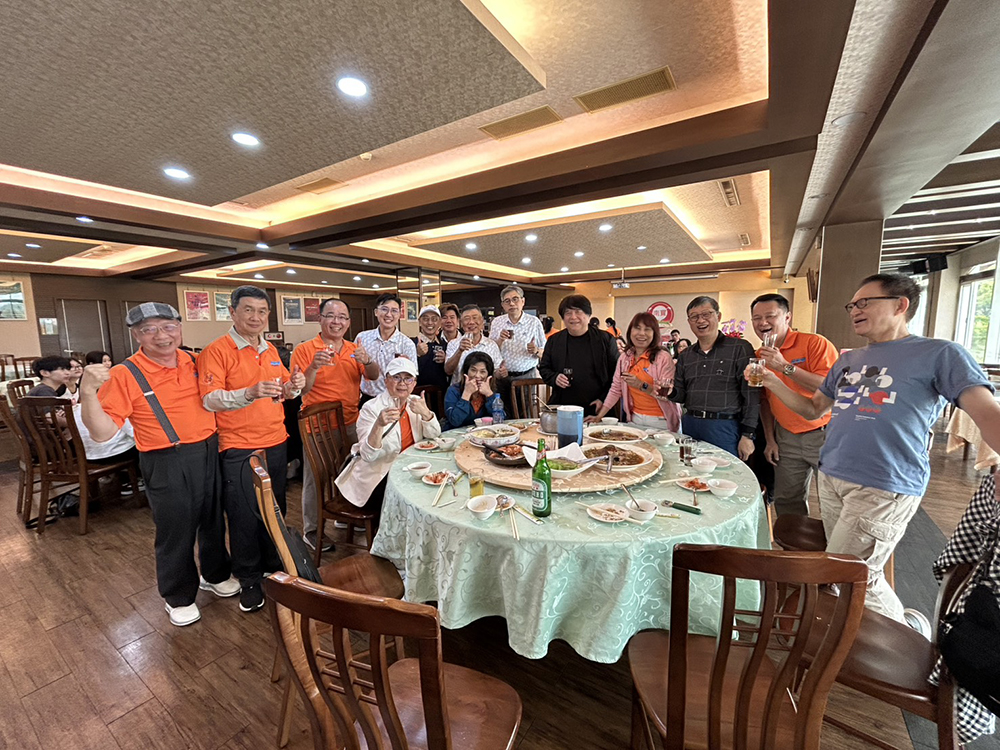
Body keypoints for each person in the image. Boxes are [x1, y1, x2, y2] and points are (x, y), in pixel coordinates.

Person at [750, 273, 1000, 625]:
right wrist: (772, 380)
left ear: (901, 305)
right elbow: (812, 409)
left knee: (851, 577)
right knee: (847, 572)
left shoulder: (940, 353)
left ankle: (907, 635)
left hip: (884, 482)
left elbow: (987, 412)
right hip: (833, 477)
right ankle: (859, 632)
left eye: (864, 302)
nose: (855, 310)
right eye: (852, 305)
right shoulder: (849, 360)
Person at [79, 302, 238, 628]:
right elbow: (102, 433)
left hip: (209, 448)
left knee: (212, 519)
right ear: (136, 335)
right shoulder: (125, 373)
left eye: (168, 327)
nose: (161, 336)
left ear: (179, 328)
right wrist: (87, 392)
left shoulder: (195, 361)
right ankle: (178, 596)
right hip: (165, 458)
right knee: (176, 528)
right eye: (149, 329)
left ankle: (215, 574)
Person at [198, 285, 306, 614]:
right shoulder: (217, 350)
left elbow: (282, 389)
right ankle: (247, 577)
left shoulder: (270, 349)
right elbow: (209, 399)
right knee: (244, 514)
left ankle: (272, 566)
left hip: (275, 440)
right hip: (239, 446)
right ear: (232, 312)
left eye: (261, 311)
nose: (255, 317)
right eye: (248, 310)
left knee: (274, 509)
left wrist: (293, 386)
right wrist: (249, 392)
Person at [291, 297, 378, 552]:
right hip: (317, 425)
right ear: (320, 319)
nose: (336, 321)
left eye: (342, 317)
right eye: (330, 315)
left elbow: (373, 376)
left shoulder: (354, 348)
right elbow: (302, 389)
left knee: (350, 471)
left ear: (348, 322)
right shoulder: (305, 349)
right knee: (316, 479)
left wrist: (368, 360)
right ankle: (311, 531)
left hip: (350, 421)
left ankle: (343, 517)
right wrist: (314, 367)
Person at [749, 293, 839, 517]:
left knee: (834, 501)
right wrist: (770, 439)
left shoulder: (814, 343)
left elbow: (831, 387)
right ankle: (792, 540)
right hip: (786, 436)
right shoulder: (759, 355)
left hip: (824, 434)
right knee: (787, 500)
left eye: (770, 316)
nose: (763, 323)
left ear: (787, 317)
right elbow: (765, 402)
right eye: (757, 318)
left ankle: (836, 541)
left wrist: (784, 366)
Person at [335, 357, 440, 522]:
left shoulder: (415, 402)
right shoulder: (371, 408)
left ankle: (420, 530)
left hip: (407, 469)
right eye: (396, 377)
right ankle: (395, 534)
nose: (402, 383)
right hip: (378, 476)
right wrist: (379, 425)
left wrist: (426, 414)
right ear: (386, 380)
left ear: (414, 383)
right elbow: (368, 455)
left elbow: (434, 436)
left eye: (408, 378)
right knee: (413, 497)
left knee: (437, 483)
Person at [670, 296, 758, 459]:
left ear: (718, 316)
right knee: (689, 470)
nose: (700, 320)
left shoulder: (740, 348)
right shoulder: (686, 355)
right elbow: (681, 396)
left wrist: (748, 435)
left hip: (724, 427)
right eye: (694, 316)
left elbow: (752, 394)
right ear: (689, 322)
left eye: (706, 314)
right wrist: (669, 392)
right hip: (690, 425)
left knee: (725, 472)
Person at [588, 312, 681, 430]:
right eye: (637, 328)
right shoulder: (625, 358)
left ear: (654, 334)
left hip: (662, 420)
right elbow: (616, 389)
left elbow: (666, 394)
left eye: (647, 329)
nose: (641, 333)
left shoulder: (663, 357)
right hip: (635, 418)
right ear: (630, 331)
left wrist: (641, 385)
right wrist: (599, 417)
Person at [539, 294, 619, 415]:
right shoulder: (554, 340)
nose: (573, 317)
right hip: (563, 406)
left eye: (578, 312)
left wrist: (604, 399)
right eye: (568, 313)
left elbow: (616, 374)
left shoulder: (605, 339)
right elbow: (544, 368)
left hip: (596, 406)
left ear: (588, 315)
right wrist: (555, 377)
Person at [355, 293, 418, 403]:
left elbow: (412, 376)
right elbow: (353, 368)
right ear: (376, 312)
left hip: (395, 400)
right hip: (368, 398)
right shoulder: (362, 338)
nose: (389, 314)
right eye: (384, 309)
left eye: (394, 311)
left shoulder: (407, 344)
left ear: (399, 314)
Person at [489, 285, 546, 405]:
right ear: (503, 305)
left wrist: (536, 350)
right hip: (503, 376)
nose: (511, 304)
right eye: (507, 301)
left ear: (523, 301)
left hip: (527, 376)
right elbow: (491, 350)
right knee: (502, 410)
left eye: (515, 299)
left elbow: (545, 352)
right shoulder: (497, 322)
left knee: (526, 411)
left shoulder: (534, 322)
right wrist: (500, 340)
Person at [445, 304, 505, 385]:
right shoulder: (453, 344)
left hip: (484, 390)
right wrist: (459, 351)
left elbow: (496, 372)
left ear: (482, 322)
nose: (471, 322)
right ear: (461, 324)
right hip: (460, 390)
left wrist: (501, 372)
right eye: (467, 319)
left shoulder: (491, 345)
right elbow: (448, 371)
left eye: (475, 318)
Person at [444, 352, 503, 429]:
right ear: (466, 372)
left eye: (482, 372)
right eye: (473, 370)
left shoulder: (490, 390)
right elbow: (455, 421)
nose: (477, 375)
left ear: (488, 375)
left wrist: (489, 395)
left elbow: (501, 419)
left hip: (482, 433)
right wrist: (466, 394)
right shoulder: (453, 390)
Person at [413, 305, 449, 393]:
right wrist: (417, 355)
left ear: (439, 323)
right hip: (418, 394)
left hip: (441, 394)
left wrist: (446, 360)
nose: (430, 323)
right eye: (425, 319)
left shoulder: (445, 344)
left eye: (434, 319)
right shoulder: (411, 343)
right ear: (419, 322)